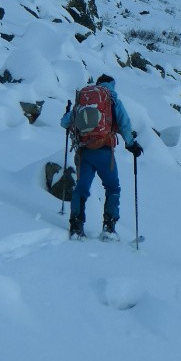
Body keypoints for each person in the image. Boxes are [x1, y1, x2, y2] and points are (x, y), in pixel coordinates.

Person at [60, 73, 142, 238]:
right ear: (112, 84)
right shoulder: (112, 99)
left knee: (81, 188)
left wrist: (67, 112)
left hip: (84, 151)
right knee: (112, 187)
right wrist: (131, 144)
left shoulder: (84, 99)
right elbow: (124, 124)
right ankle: (109, 228)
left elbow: (64, 123)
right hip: (104, 151)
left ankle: (76, 226)